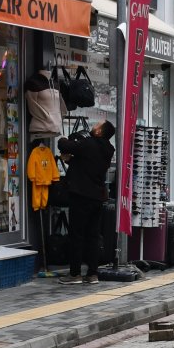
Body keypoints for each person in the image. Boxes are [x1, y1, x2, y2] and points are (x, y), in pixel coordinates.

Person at [57, 121, 115, 285]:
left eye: (97, 125)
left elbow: (65, 146)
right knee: (93, 236)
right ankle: (92, 273)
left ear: (99, 132)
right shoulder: (108, 149)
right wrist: (72, 161)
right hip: (97, 198)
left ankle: (75, 274)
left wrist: (61, 139)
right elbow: (88, 164)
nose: (94, 126)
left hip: (81, 196)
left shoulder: (89, 143)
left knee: (77, 235)